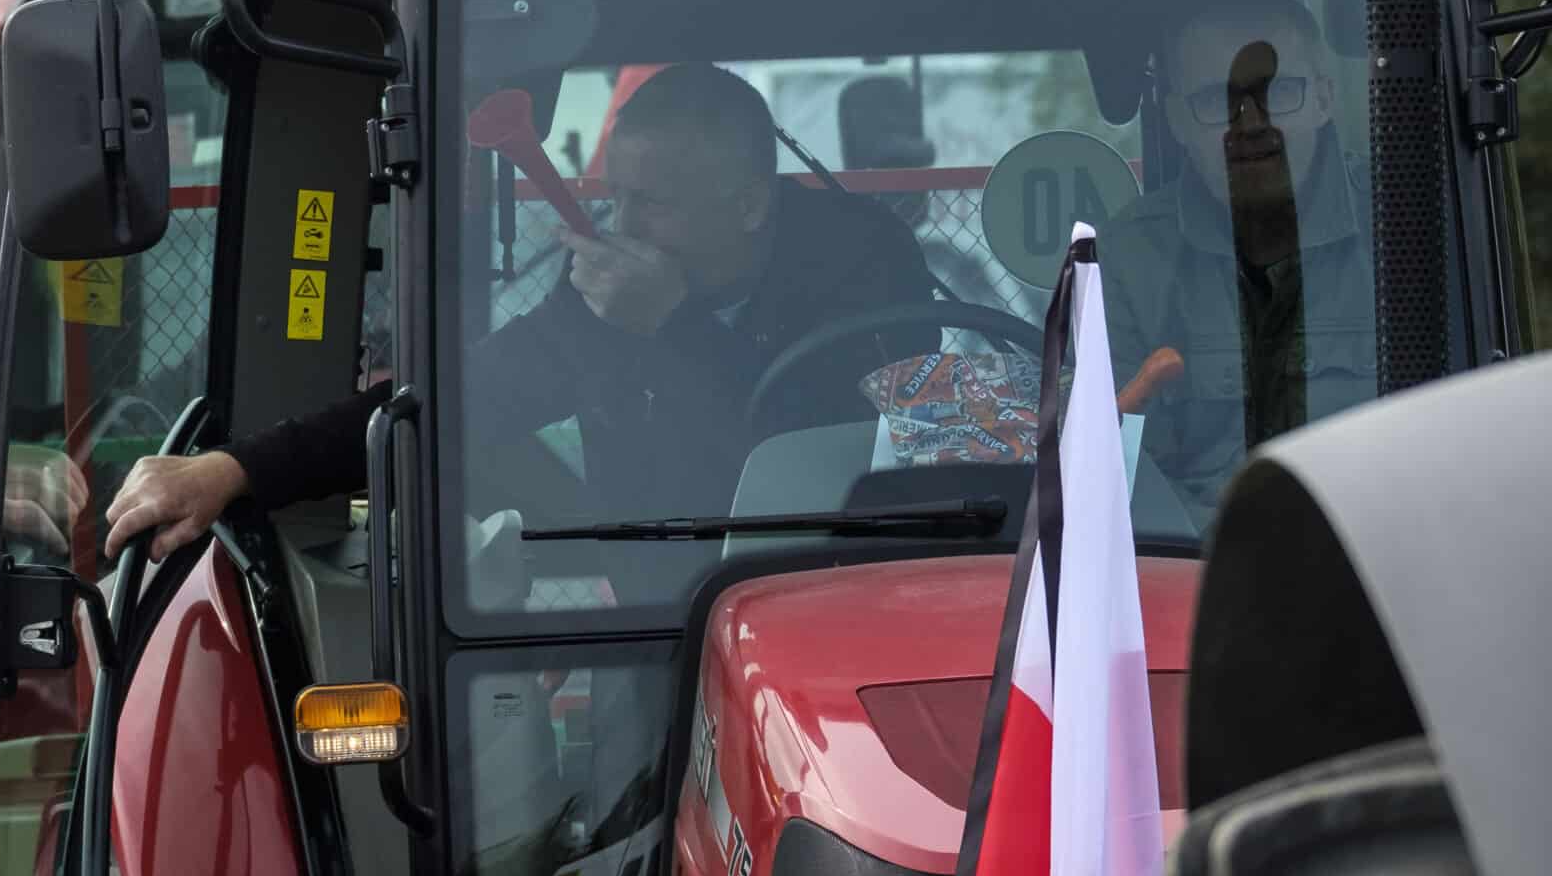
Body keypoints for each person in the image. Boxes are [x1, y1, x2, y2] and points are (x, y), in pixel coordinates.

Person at [104, 62, 939, 557]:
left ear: (752, 204)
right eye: (615, 199)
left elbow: (843, 461)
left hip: (833, 594)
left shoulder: (870, 270)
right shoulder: (611, 299)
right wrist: (234, 469)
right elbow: (457, 405)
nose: (623, 229)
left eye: (653, 205)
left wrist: (673, 326)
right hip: (650, 616)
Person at [1102, 0, 1375, 512]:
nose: (1250, 126)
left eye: (1278, 93)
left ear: (1323, 98)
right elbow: (1129, 488)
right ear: (1177, 120)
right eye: (1214, 100)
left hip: (1376, 566)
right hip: (1197, 578)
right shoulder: (1128, 262)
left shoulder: (1404, 228)